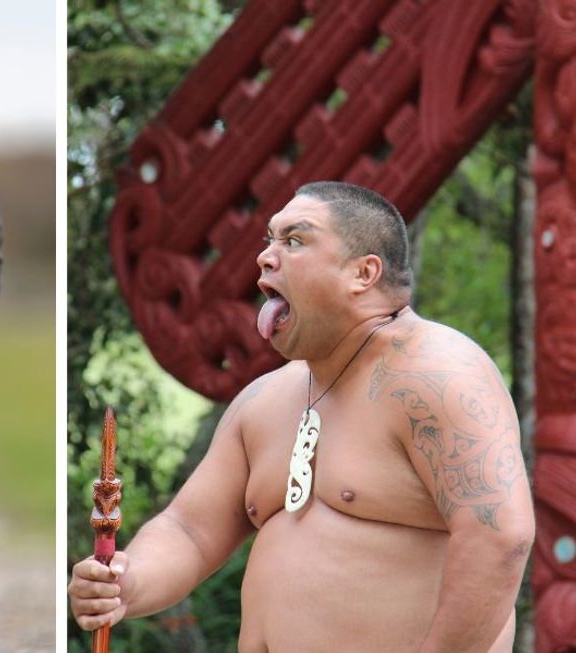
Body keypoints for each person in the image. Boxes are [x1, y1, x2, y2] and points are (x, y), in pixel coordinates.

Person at [68, 181, 535, 652]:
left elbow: (499, 536)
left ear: (363, 273)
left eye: (294, 241)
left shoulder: (436, 373)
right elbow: (190, 530)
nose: (267, 257)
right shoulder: (264, 400)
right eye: (269, 240)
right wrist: (125, 584)